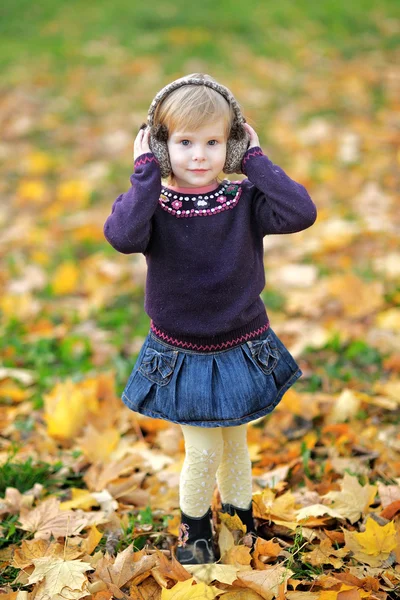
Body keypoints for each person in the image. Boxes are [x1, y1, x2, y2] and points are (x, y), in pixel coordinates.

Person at [103, 73, 317, 565]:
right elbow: (122, 236)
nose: (199, 155)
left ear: (233, 144)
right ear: (159, 146)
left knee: (235, 443)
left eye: (213, 142)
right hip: (184, 353)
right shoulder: (152, 204)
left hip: (242, 344)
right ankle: (195, 529)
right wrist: (144, 174)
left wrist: (256, 162)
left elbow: (301, 211)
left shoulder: (243, 201)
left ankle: (240, 520)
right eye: (183, 143)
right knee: (202, 451)